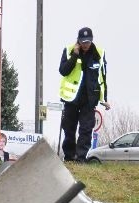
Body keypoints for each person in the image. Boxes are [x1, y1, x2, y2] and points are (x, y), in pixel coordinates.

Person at [58, 27, 109, 163]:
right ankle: (69, 156)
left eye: (88, 42)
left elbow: (102, 77)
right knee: (69, 129)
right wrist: (74, 55)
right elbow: (63, 71)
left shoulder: (99, 53)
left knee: (86, 129)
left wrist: (104, 99)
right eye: (83, 42)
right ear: (78, 40)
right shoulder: (69, 50)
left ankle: (81, 158)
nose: (85, 44)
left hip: (89, 98)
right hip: (71, 98)